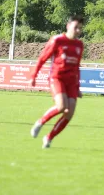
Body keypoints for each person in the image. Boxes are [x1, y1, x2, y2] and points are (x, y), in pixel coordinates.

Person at [29, 16, 84, 149]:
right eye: (75, 27)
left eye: (80, 28)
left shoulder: (79, 45)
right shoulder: (57, 40)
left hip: (71, 81)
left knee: (69, 113)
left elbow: (77, 66)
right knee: (61, 106)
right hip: (57, 78)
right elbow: (43, 58)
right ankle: (40, 122)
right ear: (68, 26)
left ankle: (49, 137)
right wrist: (33, 76)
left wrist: (78, 86)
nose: (77, 30)